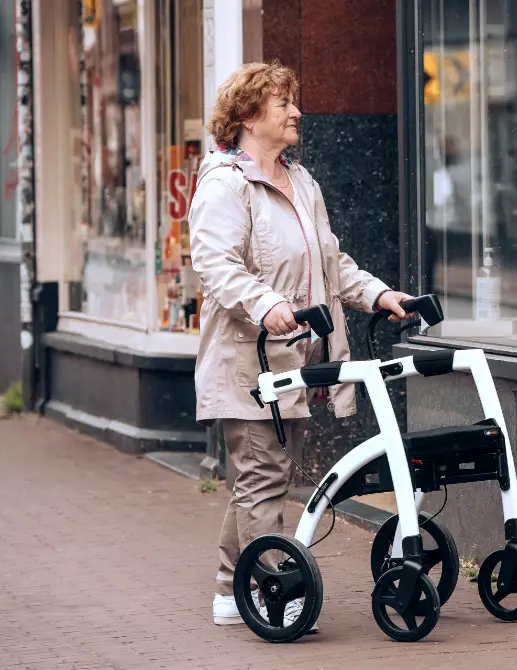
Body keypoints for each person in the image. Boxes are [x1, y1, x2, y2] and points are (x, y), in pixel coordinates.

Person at [189, 62, 415, 630]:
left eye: (295, 101)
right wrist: (266, 305)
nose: (296, 112)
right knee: (264, 474)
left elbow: (331, 263)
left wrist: (380, 294)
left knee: (262, 476)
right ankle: (272, 590)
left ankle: (228, 588)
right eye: (283, 103)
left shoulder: (301, 180)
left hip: (297, 356)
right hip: (248, 359)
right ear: (246, 115)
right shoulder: (226, 183)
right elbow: (216, 263)